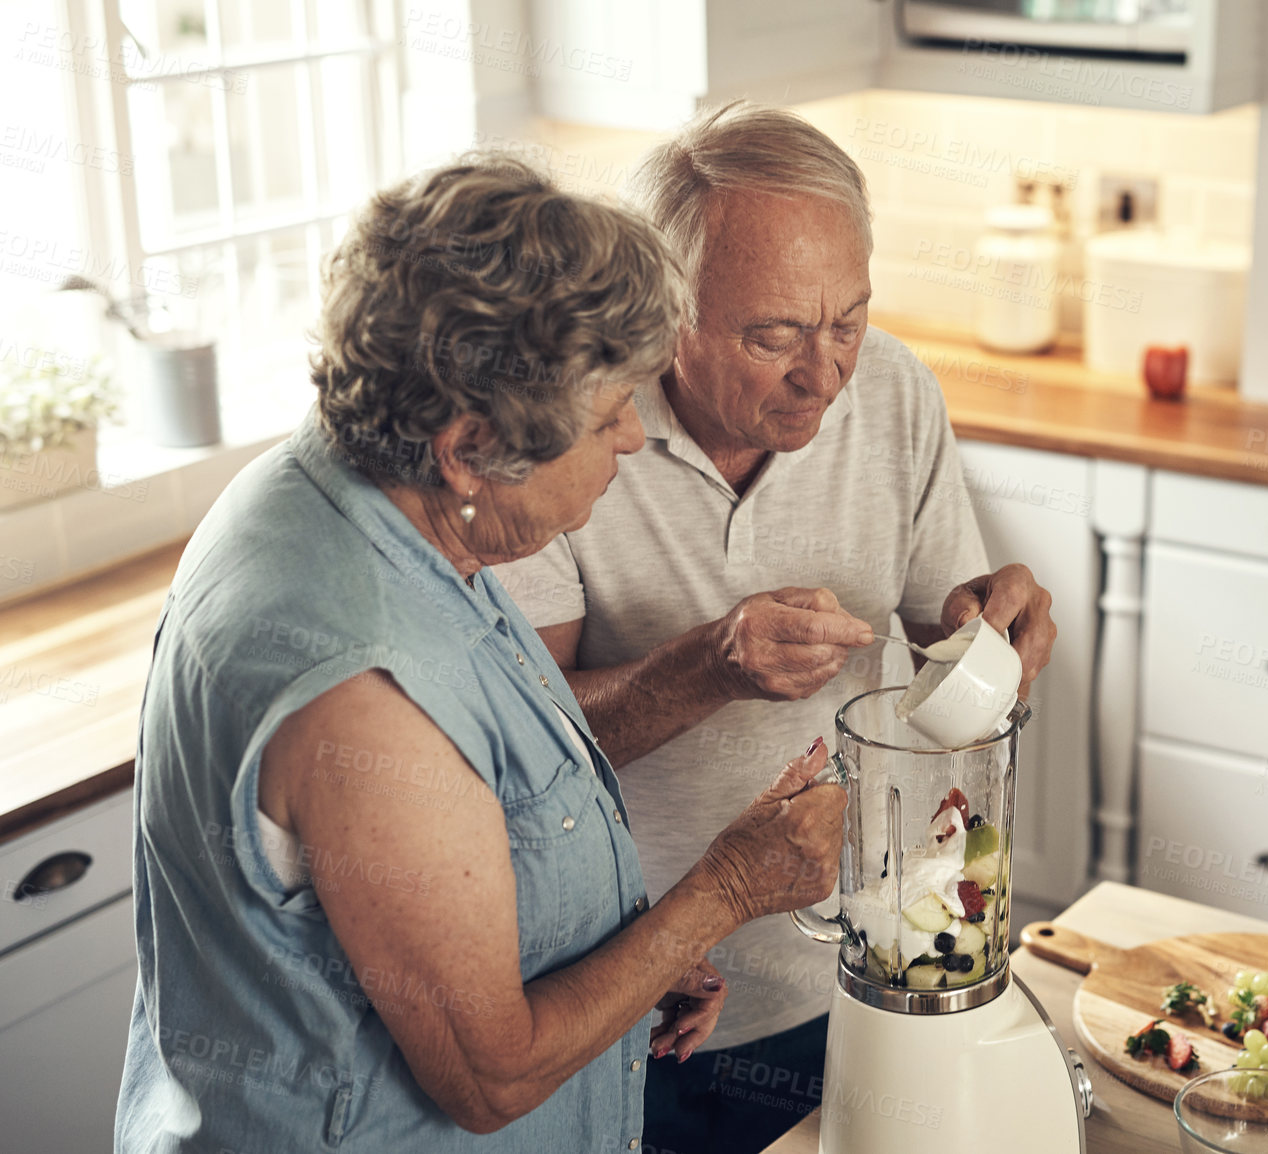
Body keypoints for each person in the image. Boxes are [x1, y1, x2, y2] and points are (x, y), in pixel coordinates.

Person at [114, 154, 845, 1152]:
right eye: (600, 419)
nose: (630, 440)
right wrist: (720, 893)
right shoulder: (359, 687)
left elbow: (459, 859)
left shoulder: (372, 498)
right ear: (466, 448)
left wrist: (617, 955)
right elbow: (489, 1074)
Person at [494, 102, 1058, 1154]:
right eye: (773, 335)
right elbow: (519, 738)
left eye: (845, 318)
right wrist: (707, 665)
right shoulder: (567, 430)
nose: (825, 371)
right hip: (625, 996)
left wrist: (995, 626)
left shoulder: (890, 389)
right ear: (669, 314)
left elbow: (951, 630)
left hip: (851, 965)